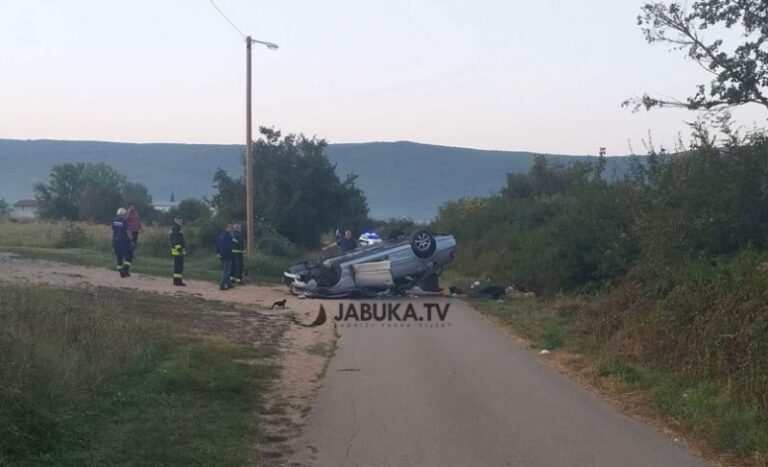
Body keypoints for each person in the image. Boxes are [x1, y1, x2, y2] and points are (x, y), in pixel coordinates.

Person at [112, 207, 132, 278]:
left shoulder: (114, 221)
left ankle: (121, 271)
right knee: (129, 256)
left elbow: (113, 231)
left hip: (116, 241)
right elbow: (128, 231)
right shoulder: (125, 221)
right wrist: (131, 239)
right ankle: (125, 269)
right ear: (124, 214)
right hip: (124, 241)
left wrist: (113, 241)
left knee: (119, 257)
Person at [216, 224, 234, 291]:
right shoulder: (228, 236)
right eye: (232, 230)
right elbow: (229, 246)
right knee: (226, 271)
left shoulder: (221, 235)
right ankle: (222, 285)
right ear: (230, 229)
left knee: (226, 270)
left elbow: (217, 244)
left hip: (221, 255)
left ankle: (228, 283)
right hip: (227, 255)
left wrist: (218, 253)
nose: (232, 232)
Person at [170, 215, 187, 286]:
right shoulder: (176, 228)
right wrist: (180, 250)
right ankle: (177, 282)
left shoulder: (176, 228)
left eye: (181, 221)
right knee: (178, 266)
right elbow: (176, 241)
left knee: (179, 266)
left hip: (177, 250)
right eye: (179, 221)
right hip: (177, 251)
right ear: (175, 220)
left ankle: (178, 281)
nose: (180, 222)